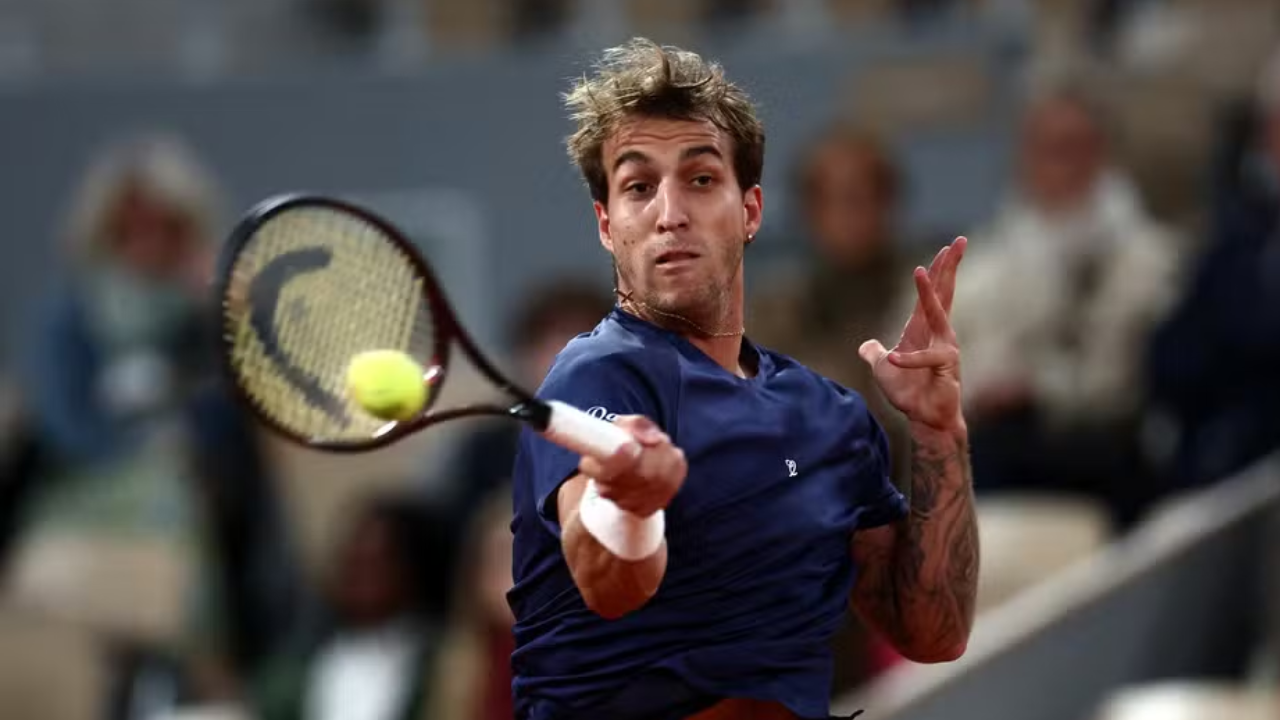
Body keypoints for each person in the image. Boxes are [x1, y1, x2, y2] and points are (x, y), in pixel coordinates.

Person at [508, 38, 979, 720]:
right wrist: (629, 508)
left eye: (700, 180)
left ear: (751, 211)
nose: (670, 212)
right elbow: (609, 585)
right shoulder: (600, 376)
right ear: (608, 225)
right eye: (638, 187)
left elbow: (934, 634)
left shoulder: (830, 417)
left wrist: (939, 431)